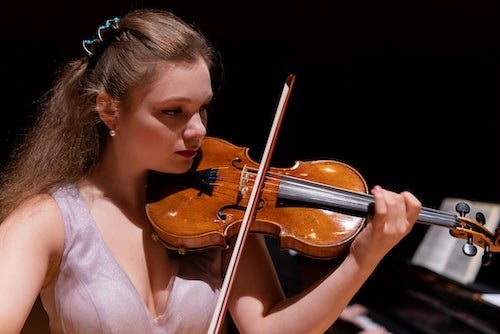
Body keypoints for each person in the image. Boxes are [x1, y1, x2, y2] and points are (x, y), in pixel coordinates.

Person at [0, 7, 421, 334]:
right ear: (110, 109)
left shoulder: (222, 209)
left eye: (203, 108)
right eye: (173, 112)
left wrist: (364, 258)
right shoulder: (48, 221)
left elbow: (268, 328)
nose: (198, 130)